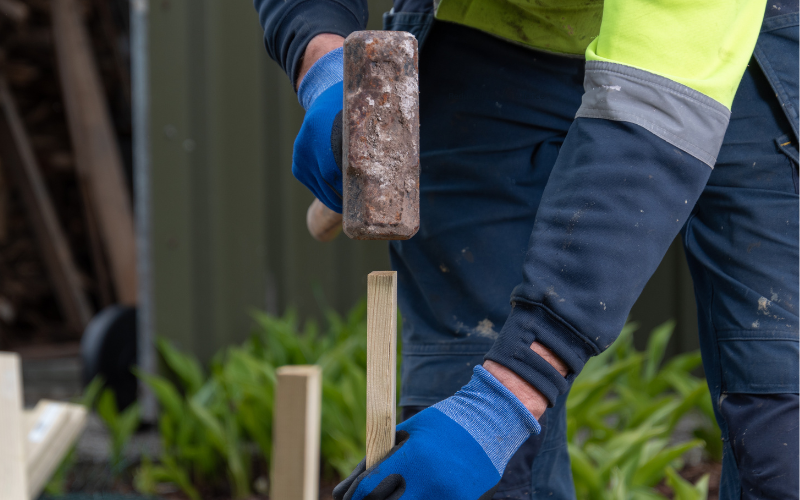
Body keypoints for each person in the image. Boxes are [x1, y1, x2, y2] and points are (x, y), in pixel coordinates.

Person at [253, 0, 799, 498]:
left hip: (714, 38)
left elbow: (644, 140)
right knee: (466, 457)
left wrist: (502, 407)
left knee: (782, 440)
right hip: (481, 33)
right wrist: (323, 60)